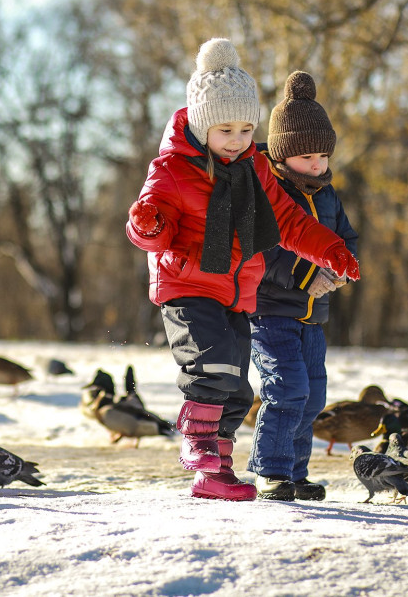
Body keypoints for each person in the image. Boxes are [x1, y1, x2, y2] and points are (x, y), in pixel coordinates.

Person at [126, 39, 360, 501]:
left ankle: (216, 473)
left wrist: (328, 248)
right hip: (188, 285)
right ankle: (197, 445)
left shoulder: (255, 169)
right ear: (200, 123)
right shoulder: (172, 169)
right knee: (210, 365)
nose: (237, 139)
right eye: (225, 129)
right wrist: (148, 224)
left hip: (238, 292)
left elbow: (290, 222)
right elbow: (151, 225)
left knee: (235, 386)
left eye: (246, 129)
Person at [247, 71, 358, 502]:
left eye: (323, 156)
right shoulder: (269, 192)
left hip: (313, 317)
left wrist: (343, 267)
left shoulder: (327, 195)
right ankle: (269, 471)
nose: (317, 165)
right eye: (307, 156)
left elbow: (345, 238)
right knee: (286, 388)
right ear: (281, 154)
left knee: (312, 397)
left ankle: (293, 471)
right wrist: (307, 274)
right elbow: (263, 251)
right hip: (271, 311)